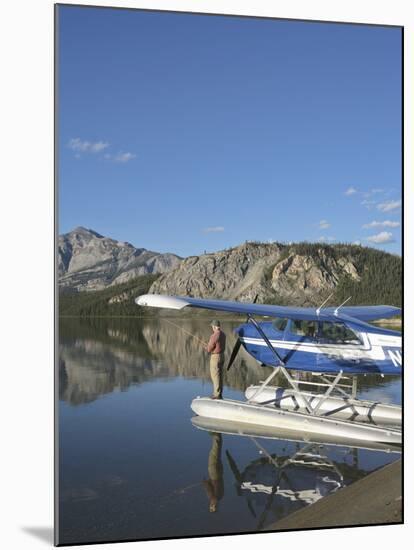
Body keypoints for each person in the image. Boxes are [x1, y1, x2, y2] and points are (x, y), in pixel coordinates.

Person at [205, 320, 226, 399]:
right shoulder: (223, 334)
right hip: (222, 356)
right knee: (220, 375)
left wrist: (207, 348)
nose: (212, 328)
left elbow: (209, 349)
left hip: (215, 357)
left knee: (215, 376)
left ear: (214, 326)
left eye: (212, 327)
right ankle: (219, 393)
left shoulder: (214, 335)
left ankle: (216, 394)